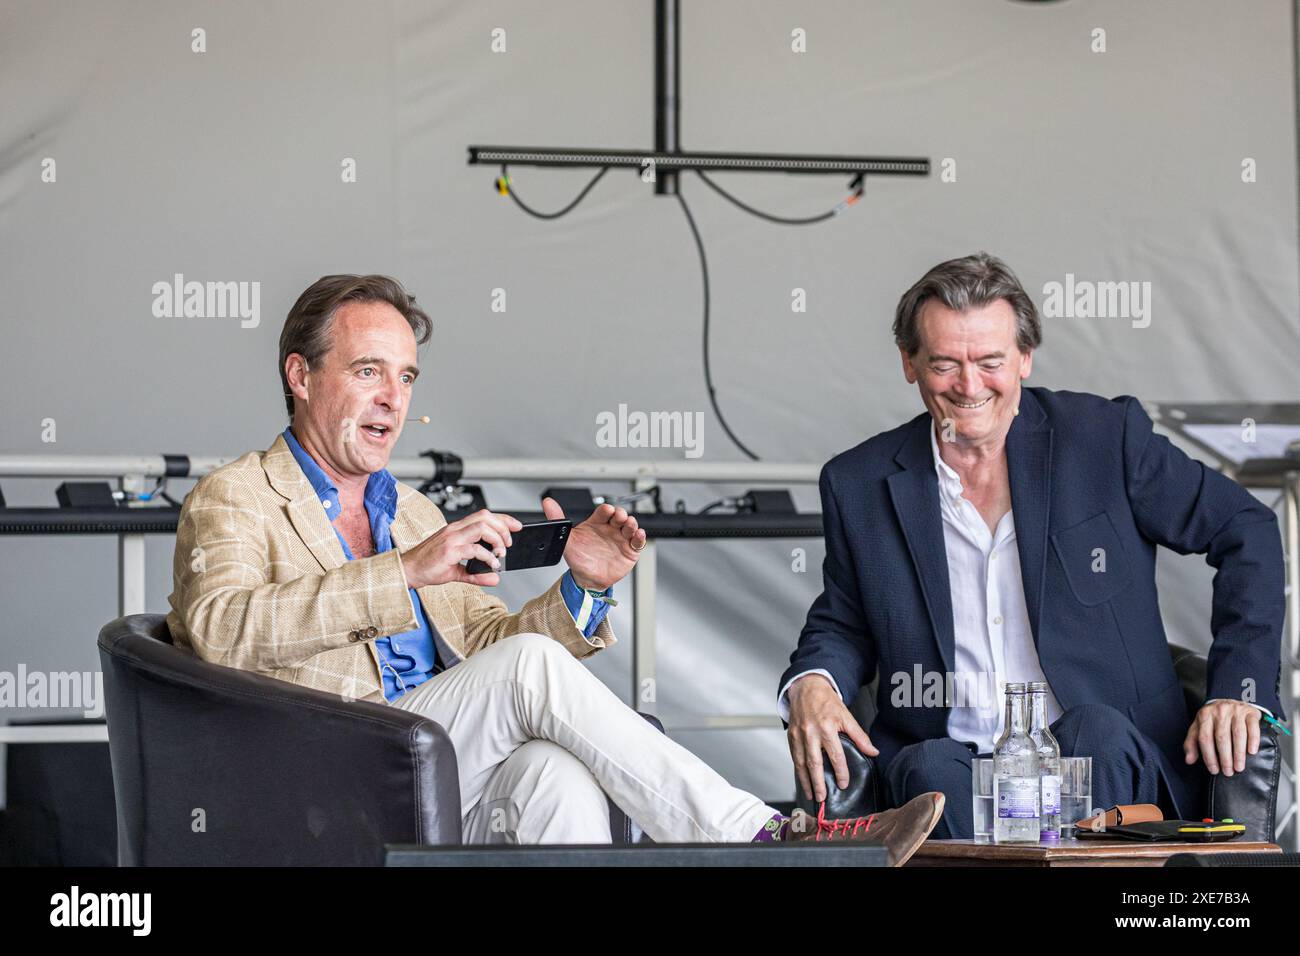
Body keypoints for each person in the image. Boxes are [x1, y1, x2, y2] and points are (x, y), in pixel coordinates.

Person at [166, 272, 944, 861]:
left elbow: (490, 654)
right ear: (301, 376)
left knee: (554, 774)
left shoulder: (410, 511)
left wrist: (581, 586)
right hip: (324, 773)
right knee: (532, 675)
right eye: (368, 370)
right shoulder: (234, 498)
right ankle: (765, 839)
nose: (391, 400)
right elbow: (221, 633)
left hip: (434, 767)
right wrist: (403, 572)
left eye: (405, 378)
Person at [781, 252, 1286, 837]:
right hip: (953, 760)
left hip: (1107, 760)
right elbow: (844, 621)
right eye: (945, 364)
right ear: (909, 363)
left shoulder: (1104, 440)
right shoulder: (858, 483)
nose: (970, 386)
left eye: (990, 361)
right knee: (929, 772)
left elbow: (1245, 527)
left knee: (1090, 735)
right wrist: (812, 683)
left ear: (1024, 357)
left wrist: (1238, 691)